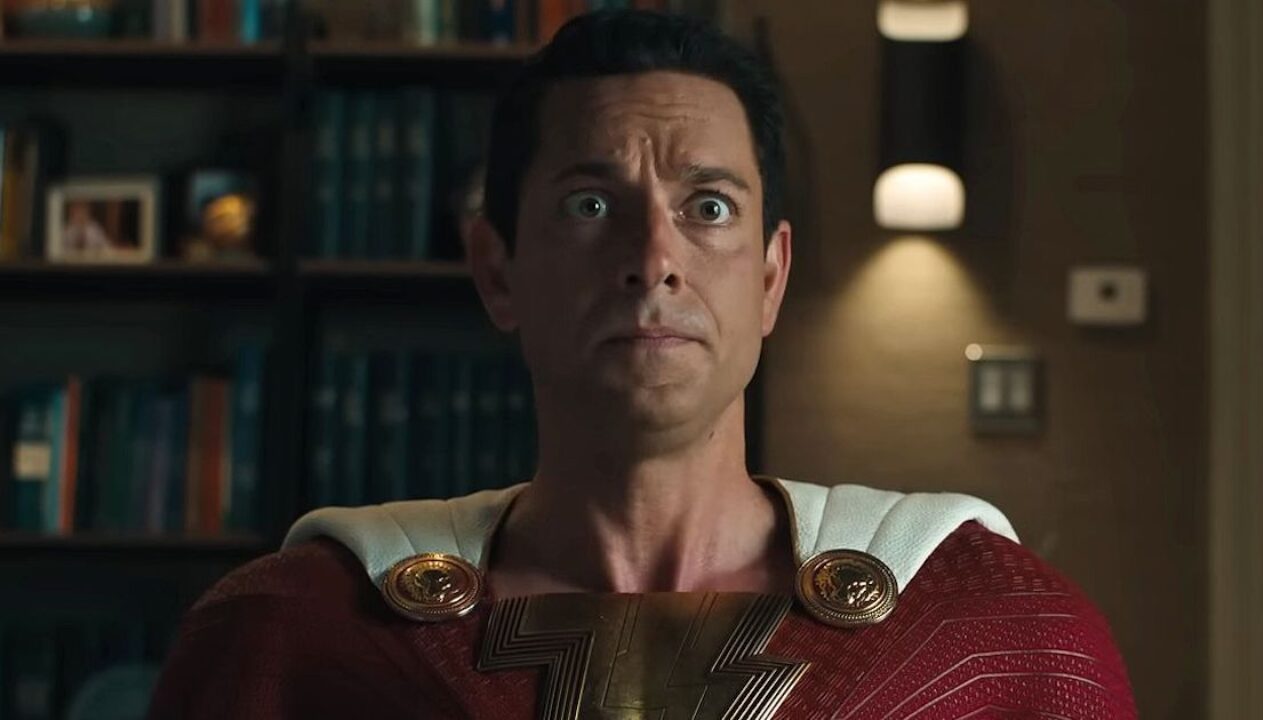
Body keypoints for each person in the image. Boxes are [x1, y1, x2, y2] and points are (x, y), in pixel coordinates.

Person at [148, 10, 1137, 719]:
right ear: (497, 270)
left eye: (708, 207)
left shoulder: (990, 632)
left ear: (770, 277)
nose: (653, 258)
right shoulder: (297, 633)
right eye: (590, 204)